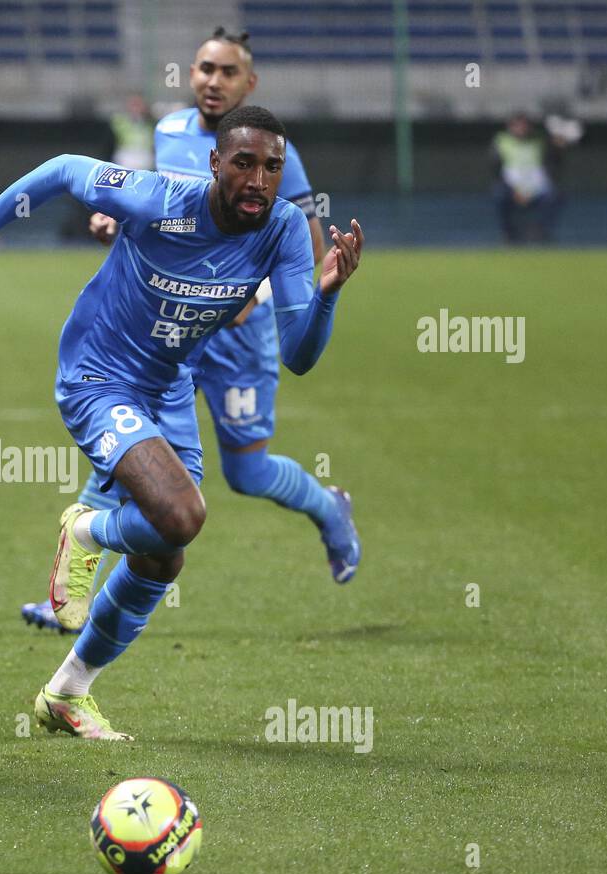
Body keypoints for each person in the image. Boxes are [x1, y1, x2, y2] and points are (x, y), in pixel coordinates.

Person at [0, 105, 365, 739]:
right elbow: (62, 169)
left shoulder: (281, 228)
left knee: (165, 554)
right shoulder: (157, 197)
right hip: (98, 376)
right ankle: (85, 528)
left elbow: (299, 356)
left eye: (271, 167)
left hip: (168, 389)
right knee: (182, 515)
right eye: (244, 163)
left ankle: (67, 693)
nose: (257, 179)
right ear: (215, 163)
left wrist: (328, 292)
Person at [22, 27, 358, 636]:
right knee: (126, 453)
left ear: (248, 83)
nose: (213, 81)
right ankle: (68, 593)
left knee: (248, 473)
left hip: (238, 329)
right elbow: (166, 213)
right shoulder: (169, 131)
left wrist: (252, 294)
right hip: (165, 326)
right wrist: (115, 225)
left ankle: (330, 509)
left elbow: (302, 238)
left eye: (228, 72)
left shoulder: (277, 153)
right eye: (205, 68)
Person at [492, 112, 568, 243]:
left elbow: (555, 159)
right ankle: (508, 233)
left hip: (537, 188)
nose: (521, 129)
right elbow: (496, 169)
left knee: (555, 195)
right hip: (513, 188)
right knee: (499, 194)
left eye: (524, 126)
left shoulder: (540, 140)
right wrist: (515, 191)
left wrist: (558, 146)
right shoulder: (502, 141)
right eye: (517, 126)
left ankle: (540, 231)